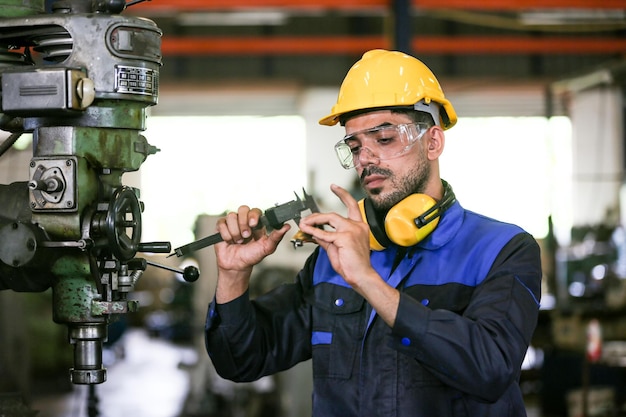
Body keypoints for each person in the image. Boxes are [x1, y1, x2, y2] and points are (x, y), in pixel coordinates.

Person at [205, 49, 542, 417]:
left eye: (383, 140)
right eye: (355, 146)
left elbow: (490, 368)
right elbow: (242, 362)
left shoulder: (501, 249)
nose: (365, 159)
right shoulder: (332, 258)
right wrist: (234, 278)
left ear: (432, 142)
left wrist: (367, 280)